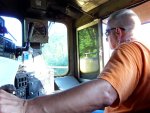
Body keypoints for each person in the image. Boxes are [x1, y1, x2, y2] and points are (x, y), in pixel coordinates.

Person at [0, 8, 150, 113]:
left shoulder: (128, 49)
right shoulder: (145, 52)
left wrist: (25, 107)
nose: (106, 38)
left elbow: (105, 93)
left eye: (106, 33)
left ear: (117, 32)